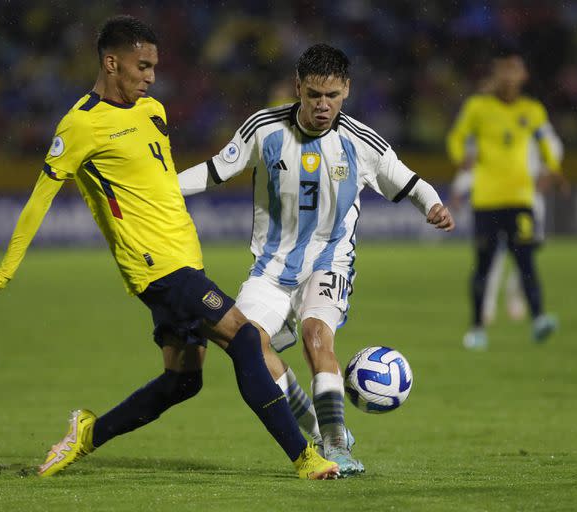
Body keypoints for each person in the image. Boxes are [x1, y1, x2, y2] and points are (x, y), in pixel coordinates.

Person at [0, 15, 339, 480]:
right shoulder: (80, 125)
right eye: (141, 66)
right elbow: (37, 202)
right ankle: (305, 457)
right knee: (246, 338)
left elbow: (159, 186)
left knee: (183, 380)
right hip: (156, 268)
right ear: (111, 62)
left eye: (154, 67)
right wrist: (3, 272)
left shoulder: (154, 112)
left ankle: (87, 434)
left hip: (185, 259)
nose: (150, 76)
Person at [177, 43, 454, 476]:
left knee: (316, 337)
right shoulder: (264, 128)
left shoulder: (361, 142)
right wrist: (164, 191)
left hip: (330, 260)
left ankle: (337, 445)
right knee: (246, 346)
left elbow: (411, 182)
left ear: (346, 90)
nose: (323, 106)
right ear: (297, 89)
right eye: (313, 95)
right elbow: (215, 170)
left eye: (332, 96)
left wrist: (434, 206)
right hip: (271, 268)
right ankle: (319, 426)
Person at [446, 43, 566, 350]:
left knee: (526, 261)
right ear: (496, 74)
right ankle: (476, 328)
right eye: (505, 70)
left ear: (523, 75)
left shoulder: (532, 110)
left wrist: (554, 170)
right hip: (487, 200)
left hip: (520, 198)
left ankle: (538, 319)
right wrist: (460, 157)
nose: (510, 76)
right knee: (484, 264)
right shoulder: (478, 107)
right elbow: (456, 137)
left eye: (515, 69)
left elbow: (545, 145)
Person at [449, 117, 566, 325]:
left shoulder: (529, 115)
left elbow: (554, 146)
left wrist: (548, 173)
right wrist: (459, 187)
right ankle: (488, 306)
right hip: (494, 199)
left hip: (527, 198)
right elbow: (475, 159)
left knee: (526, 255)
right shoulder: (485, 119)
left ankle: (515, 294)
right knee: (493, 255)